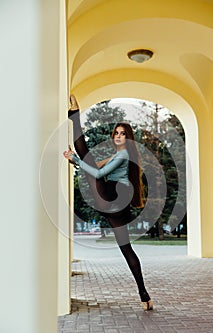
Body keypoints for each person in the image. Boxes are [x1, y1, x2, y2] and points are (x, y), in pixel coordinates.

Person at [63, 95, 153, 311]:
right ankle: (144, 295)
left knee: (85, 156)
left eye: (123, 134)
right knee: (126, 248)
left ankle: (73, 114)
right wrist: (79, 160)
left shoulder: (122, 155)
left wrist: (76, 159)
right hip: (119, 202)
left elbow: (99, 171)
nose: (119, 136)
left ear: (128, 138)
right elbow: (95, 163)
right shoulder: (121, 155)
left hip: (113, 195)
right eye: (117, 133)